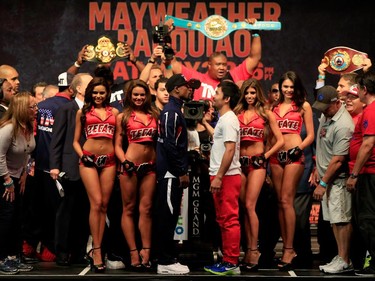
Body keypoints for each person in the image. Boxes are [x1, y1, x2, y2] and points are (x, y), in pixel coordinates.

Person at [233, 78, 284, 271]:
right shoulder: (237, 114)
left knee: (249, 205)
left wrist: (265, 156)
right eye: (247, 93)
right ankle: (248, 249)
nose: (249, 96)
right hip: (240, 164)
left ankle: (254, 250)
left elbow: (279, 141)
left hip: (257, 165)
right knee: (243, 208)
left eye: (253, 93)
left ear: (258, 94)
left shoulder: (266, 114)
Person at [269, 70, 314, 271]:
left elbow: (311, 135)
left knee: (287, 201)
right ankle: (286, 246)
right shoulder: (274, 107)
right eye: (284, 87)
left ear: (296, 87)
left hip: (294, 157)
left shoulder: (303, 106)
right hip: (275, 158)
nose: (288, 90)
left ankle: (289, 248)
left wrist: (299, 149)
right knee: (280, 202)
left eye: (291, 86)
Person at [154, 74, 199, 275]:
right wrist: (181, 171)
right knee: (167, 216)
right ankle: (164, 260)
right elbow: (170, 146)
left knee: (170, 217)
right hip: (170, 174)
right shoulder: (170, 112)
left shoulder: (174, 110)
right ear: (176, 89)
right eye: (185, 87)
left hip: (172, 172)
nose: (188, 90)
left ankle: (168, 257)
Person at [73, 77, 119, 272]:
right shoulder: (82, 112)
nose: (98, 95)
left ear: (107, 93)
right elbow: (75, 141)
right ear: (90, 93)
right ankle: (96, 250)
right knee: (97, 203)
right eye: (95, 92)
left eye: (102, 92)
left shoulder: (115, 112)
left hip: (109, 161)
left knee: (104, 206)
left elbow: (117, 142)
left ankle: (99, 247)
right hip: (89, 161)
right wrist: (84, 156)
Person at [114, 79, 159, 270]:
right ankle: (133, 252)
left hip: (150, 166)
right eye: (136, 95)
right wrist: (125, 162)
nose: (139, 98)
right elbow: (116, 145)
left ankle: (146, 251)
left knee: (147, 209)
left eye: (142, 94)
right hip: (129, 166)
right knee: (129, 209)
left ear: (147, 95)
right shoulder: (123, 117)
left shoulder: (155, 114)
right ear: (129, 96)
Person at [49, 73, 93, 266]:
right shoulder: (66, 109)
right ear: (80, 89)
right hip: (69, 168)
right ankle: (62, 251)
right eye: (90, 85)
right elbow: (57, 140)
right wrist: (55, 166)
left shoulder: (94, 110)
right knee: (66, 211)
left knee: (84, 211)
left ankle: (79, 251)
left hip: (90, 168)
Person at [311, 85, 354, 274]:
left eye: (326, 108)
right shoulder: (327, 114)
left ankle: (345, 260)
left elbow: (338, 160)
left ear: (337, 103)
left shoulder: (343, 124)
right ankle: (340, 256)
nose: (323, 112)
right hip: (326, 179)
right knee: (334, 221)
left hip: (337, 180)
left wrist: (322, 183)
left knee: (342, 220)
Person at [166, 18, 261, 101]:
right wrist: (165, 33)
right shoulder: (196, 79)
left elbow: (254, 58)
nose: (222, 68)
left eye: (224, 65)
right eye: (218, 64)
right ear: (209, 65)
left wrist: (255, 33)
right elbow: (171, 61)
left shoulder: (234, 76)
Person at [203, 80, 242, 275]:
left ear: (226, 98)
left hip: (226, 177)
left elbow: (229, 150)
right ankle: (228, 260)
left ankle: (232, 262)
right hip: (221, 175)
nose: (213, 95)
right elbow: (221, 143)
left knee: (229, 220)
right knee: (223, 219)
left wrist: (219, 176)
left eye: (217, 93)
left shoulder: (229, 120)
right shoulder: (224, 119)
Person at [0, 92, 37, 274]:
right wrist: (7, 181)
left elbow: (27, 151)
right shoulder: (8, 129)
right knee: (6, 219)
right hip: (3, 178)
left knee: (17, 219)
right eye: (32, 107)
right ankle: (1, 258)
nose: (36, 110)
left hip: (17, 176)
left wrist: (23, 173)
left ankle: (13, 257)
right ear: (23, 108)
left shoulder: (27, 127)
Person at [346, 71, 375, 276]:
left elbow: (368, 144)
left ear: (365, 90)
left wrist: (354, 174)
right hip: (368, 172)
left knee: (367, 219)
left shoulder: (372, 110)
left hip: (369, 173)